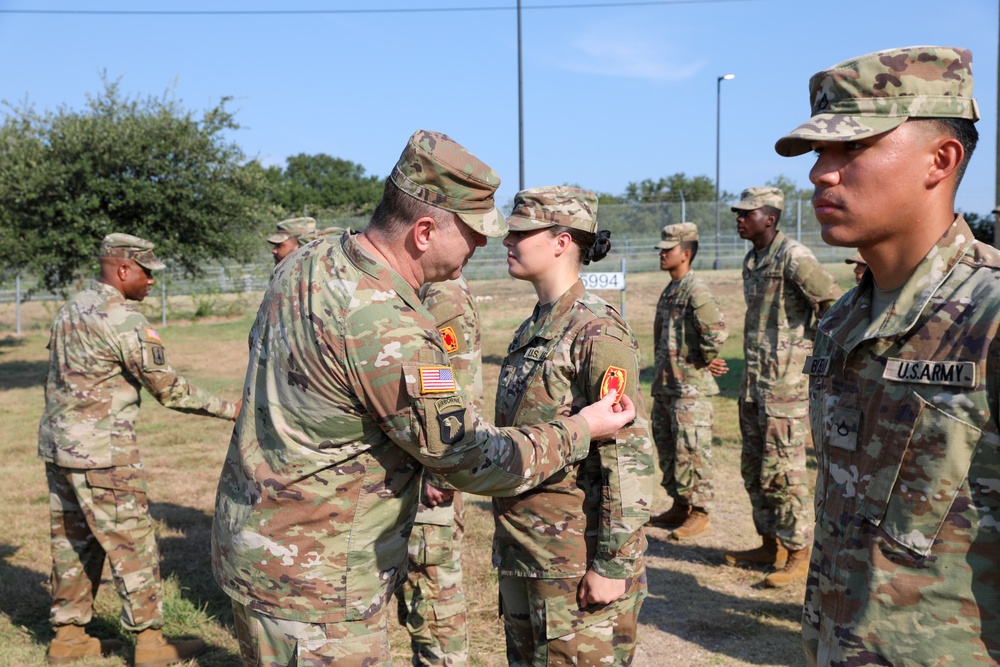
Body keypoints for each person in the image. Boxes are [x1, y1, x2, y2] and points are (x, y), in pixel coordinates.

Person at [210, 130, 637, 667]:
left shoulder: (309, 262)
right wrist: (581, 429)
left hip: (254, 553)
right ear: (425, 230)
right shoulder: (386, 325)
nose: (484, 245)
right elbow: (469, 458)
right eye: (474, 233)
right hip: (317, 585)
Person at [776, 45, 1000, 664]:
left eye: (852, 148)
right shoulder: (843, 321)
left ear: (941, 159)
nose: (822, 172)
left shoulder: (989, 318)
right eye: (821, 153)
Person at [39, 233, 241, 667]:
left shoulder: (70, 308)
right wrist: (231, 409)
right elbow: (168, 389)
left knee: (73, 541)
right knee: (132, 542)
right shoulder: (123, 318)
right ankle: (150, 641)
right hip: (104, 454)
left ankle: (68, 635)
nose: (152, 281)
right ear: (123, 269)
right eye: (148, 272)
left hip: (58, 447)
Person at [494, 185, 653, 666]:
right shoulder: (538, 324)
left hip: (574, 558)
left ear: (561, 241)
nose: (508, 240)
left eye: (521, 231)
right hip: (529, 553)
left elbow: (629, 457)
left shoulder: (596, 330)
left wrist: (613, 563)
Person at [724, 186, 841, 587]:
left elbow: (832, 303)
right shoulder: (754, 258)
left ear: (769, 218)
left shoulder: (793, 256)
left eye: (746, 213)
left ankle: (799, 553)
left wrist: (812, 358)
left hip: (784, 389)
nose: (739, 219)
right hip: (754, 386)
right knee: (754, 468)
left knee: (785, 473)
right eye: (738, 213)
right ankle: (769, 543)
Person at [395, 276, 481, 667]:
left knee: (432, 599)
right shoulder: (431, 289)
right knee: (421, 595)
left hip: (434, 475)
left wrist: (441, 473)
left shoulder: (441, 295)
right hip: (428, 464)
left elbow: (453, 385)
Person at [647, 222, 728, 540]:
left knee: (693, 451)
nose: (662, 254)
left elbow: (716, 333)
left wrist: (705, 360)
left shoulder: (697, 290)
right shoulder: (671, 290)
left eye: (668, 250)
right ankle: (680, 505)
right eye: (662, 249)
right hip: (667, 386)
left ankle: (700, 512)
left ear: (687, 254)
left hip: (690, 389)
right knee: (669, 449)